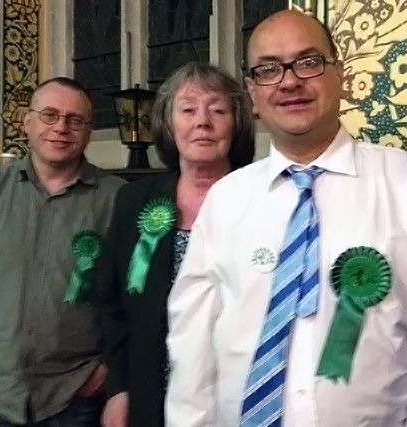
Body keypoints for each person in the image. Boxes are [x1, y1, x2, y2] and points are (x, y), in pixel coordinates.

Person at [166, 10, 407, 427]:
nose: (288, 81)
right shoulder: (226, 199)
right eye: (268, 69)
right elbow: (192, 347)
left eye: (308, 62)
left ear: (339, 73)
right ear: (251, 90)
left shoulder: (406, 181)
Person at [98, 62, 255, 427]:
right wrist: (119, 389)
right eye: (187, 109)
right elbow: (112, 306)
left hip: (237, 392)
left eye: (217, 110)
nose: (202, 121)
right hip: (150, 391)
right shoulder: (134, 201)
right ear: (169, 124)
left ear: (237, 123)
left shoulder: (261, 199)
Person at [0, 77, 125, 426]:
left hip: (73, 397)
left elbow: (137, 295)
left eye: (74, 119)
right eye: (49, 115)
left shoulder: (119, 199)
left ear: (89, 130)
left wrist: (109, 365)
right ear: (27, 121)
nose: (61, 127)